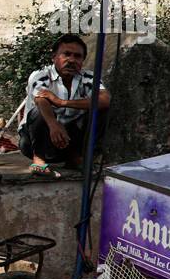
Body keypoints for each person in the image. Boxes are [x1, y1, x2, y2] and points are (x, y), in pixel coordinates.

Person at [20, 34, 110, 176]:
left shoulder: (87, 77)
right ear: (54, 57)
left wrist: (62, 102)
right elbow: (41, 100)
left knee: (103, 110)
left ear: (82, 60)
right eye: (66, 54)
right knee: (39, 111)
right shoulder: (41, 75)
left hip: (69, 141)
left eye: (77, 56)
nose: (71, 60)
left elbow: (105, 100)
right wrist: (53, 124)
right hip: (35, 141)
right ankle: (39, 160)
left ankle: (77, 158)